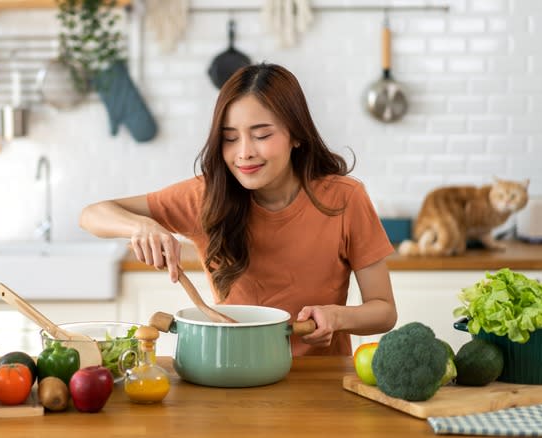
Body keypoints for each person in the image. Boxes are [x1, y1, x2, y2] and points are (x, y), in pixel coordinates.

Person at [79, 63, 397, 356]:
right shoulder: (206, 196)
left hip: (320, 380)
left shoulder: (344, 199)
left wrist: (338, 316)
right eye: (230, 139)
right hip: (230, 371)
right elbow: (92, 214)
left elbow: (384, 311)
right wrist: (141, 226)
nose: (244, 153)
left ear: (296, 134)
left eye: (261, 135)